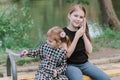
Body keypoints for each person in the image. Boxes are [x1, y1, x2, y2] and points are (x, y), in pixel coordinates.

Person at [63, 4, 110, 80]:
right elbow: (67, 55)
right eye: (75, 16)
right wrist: (76, 36)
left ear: (84, 20)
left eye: (81, 17)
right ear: (69, 16)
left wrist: (83, 32)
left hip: (85, 64)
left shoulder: (82, 32)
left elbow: (89, 50)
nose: (78, 19)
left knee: (106, 78)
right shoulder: (63, 33)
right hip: (70, 65)